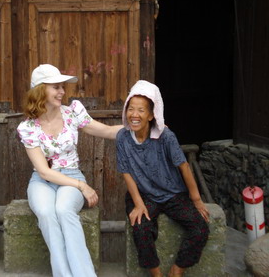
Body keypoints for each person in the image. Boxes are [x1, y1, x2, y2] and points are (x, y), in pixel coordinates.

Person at [17, 64, 122, 277]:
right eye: (56, 87)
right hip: (42, 180)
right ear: (40, 90)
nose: (62, 92)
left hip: (71, 174)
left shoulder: (72, 113)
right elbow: (44, 172)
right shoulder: (28, 128)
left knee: (64, 210)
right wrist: (82, 186)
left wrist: (142, 127)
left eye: (62, 87)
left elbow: (108, 131)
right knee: (46, 213)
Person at [116, 80, 210, 277]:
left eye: (141, 110)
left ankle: (177, 270)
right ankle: (156, 274)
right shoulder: (122, 138)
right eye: (130, 109)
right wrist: (138, 203)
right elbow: (126, 172)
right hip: (144, 194)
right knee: (141, 229)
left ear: (151, 115)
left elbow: (184, 167)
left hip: (173, 194)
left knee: (200, 228)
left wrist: (196, 199)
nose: (134, 115)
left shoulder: (166, 136)